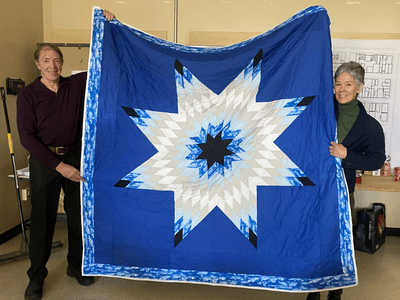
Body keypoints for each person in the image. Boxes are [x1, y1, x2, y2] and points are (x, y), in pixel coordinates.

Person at [17, 10, 115, 300]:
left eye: (57, 60)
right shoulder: (29, 95)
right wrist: (59, 166)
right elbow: (27, 139)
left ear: (63, 63)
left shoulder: (76, 84)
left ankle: (76, 266)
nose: (52, 65)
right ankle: (36, 277)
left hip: (76, 158)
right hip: (47, 162)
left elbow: (103, 62)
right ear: (38, 64)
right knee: (43, 221)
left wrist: (107, 27)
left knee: (77, 218)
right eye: (46, 61)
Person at [306, 61, 386, 300]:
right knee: (313, 238)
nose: (341, 89)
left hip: (342, 190)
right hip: (313, 187)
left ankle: (335, 289)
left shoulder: (370, 126)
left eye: (348, 84)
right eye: (338, 84)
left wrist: (346, 155)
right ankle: (313, 287)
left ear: (359, 87)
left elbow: (376, 160)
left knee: (339, 242)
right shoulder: (320, 111)